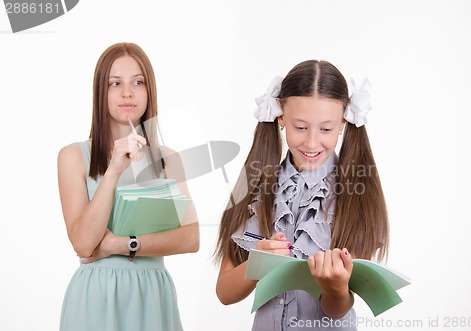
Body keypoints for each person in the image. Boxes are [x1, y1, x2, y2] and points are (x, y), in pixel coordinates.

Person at [215, 60, 389, 330]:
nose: (311, 142)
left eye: (326, 129)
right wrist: (257, 265)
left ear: (343, 122)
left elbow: (338, 309)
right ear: (281, 117)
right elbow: (225, 292)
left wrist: (336, 288)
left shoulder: (357, 196)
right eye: (300, 127)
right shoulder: (254, 184)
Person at [58, 42, 199, 331]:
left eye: (138, 82)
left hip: (153, 295)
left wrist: (120, 245)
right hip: (96, 297)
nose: (127, 92)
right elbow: (83, 243)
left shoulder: (168, 158)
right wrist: (113, 171)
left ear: (150, 91)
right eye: (115, 83)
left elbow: (191, 238)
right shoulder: (73, 156)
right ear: (101, 91)